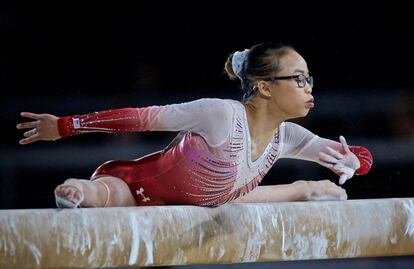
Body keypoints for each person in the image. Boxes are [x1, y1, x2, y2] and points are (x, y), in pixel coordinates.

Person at [16, 42, 373, 208]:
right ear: (264, 86)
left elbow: (356, 155)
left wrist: (356, 162)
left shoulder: (288, 136)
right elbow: (141, 117)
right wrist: (65, 126)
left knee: (235, 201)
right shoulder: (221, 115)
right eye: (298, 79)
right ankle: (77, 190)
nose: (308, 87)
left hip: (207, 202)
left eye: (310, 79)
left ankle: (305, 189)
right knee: (104, 195)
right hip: (134, 190)